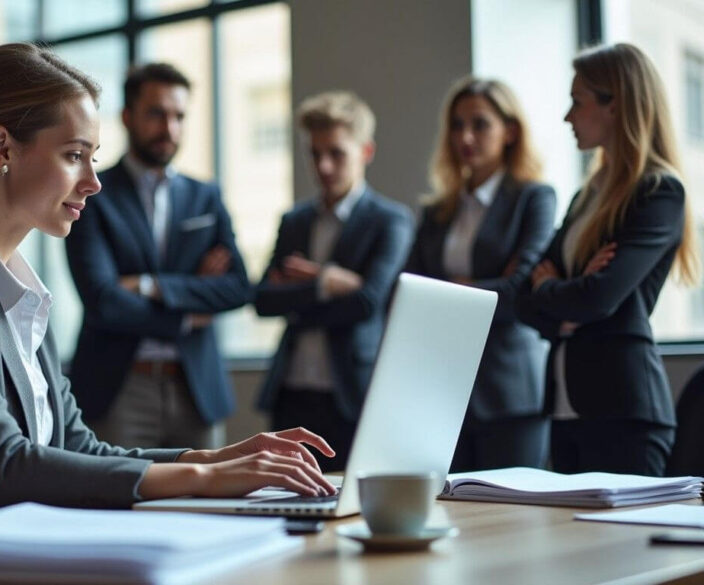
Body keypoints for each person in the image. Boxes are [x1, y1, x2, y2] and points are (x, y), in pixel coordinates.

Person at [0, 43, 334, 528]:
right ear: (2, 149)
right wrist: (204, 480)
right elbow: (2, 462)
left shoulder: (18, 282)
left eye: (93, 155)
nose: (93, 180)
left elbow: (75, 445)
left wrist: (211, 458)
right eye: (74, 155)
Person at [517, 43, 699, 476]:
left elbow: (597, 298)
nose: (567, 117)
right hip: (565, 409)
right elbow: (525, 298)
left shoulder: (658, 192)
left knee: (621, 544)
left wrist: (551, 288)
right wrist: (561, 304)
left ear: (614, 104)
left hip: (623, 412)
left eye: (576, 102)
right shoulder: (587, 195)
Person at [65, 63, 250, 450]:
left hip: (196, 389)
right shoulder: (92, 194)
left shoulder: (206, 197)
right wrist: (186, 313)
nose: (169, 128)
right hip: (118, 388)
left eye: (179, 116)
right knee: (115, 503)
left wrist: (149, 286)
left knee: (207, 507)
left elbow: (237, 288)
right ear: (127, 117)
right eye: (156, 113)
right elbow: (103, 300)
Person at [254, 91, 413, 472]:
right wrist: (329, 283)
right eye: (315, 153)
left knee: (350, 506)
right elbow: (262, 300)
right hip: (291, 393)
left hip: (354, 394)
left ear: (366, 152)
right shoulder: (294, 221)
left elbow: (367, 302)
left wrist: (299, 295)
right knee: (284, 502)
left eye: (336, 153)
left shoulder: (390, 220)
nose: (323, 166)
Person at [406, 77, 556, 472]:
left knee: (513, 521)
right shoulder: (438, 210)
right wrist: (484, 287)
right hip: (444, 389)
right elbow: (406, 296)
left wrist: (444, 292)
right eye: (456, 125)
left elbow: (517, 295)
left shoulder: (533, 198)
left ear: (510, 131)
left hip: (509, 390)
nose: (465, 136)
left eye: (480, 124)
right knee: (451, 518)